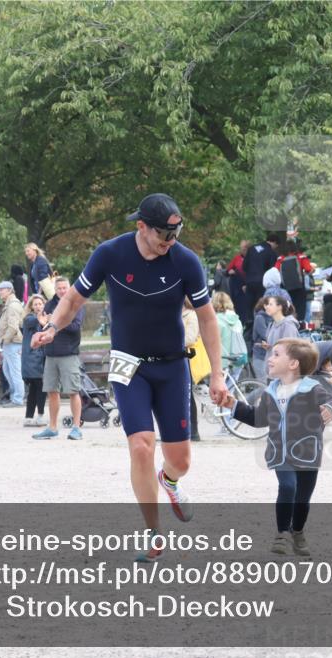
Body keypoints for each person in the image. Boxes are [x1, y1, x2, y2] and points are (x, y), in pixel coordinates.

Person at [30, 193, 228, 563]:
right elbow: (73, 299)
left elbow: (207, 318)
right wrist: (53, 327)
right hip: (127, 364)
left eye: (176, 235)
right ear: (141, 226)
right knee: (140, 444)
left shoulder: (186, 261)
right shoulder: (110, 253)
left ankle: (168, 482)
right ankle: (153, 533)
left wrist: (217, 375)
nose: (171, 243)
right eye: (163, 237)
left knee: (180, 460)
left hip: (171, 366)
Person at [227, 338, 332, 557]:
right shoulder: (271, 391)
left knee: (302, 499)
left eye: (277, 354)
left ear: (293, 364)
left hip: (307, 454)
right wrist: (233, 406)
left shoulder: (312, 388)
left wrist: (330, 409)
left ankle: (297, 531)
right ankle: (282, 534)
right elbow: (258, 418)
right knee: (288, 487)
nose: (270, 358)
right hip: (281, 453)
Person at [32, 277, 85, 440]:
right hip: (51, 354)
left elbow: (75, 327)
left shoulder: (76, 304)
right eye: (59, 288)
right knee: (51, 391)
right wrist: (43, 324)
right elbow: (45, 328)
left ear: (69, 288)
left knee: (73, 392)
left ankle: (76, 428)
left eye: (64, 288)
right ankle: (52, 427)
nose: (62, 290)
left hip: (69, 354)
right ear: (55, 289)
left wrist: (55, 323)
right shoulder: (49, 305)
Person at [0, 280, 25, 408]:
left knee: (14, 371)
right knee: (8, 370)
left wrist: (4, 340)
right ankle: (15, 396)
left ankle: (18, 399)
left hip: (12, 343)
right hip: (11, 343)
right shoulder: (10, 304)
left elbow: (13, 327)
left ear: (9, 290)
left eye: (2, 289)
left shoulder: (12, 305)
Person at [21, 294, 48, 427]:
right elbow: (32, 322)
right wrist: (42, 319)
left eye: (40, 304)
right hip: (33, 360)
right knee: (40, 387)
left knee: (34, 389)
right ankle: (40, 416)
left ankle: (29, 417)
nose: (38, 306)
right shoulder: (29, 319)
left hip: (40, 359)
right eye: (35, 304)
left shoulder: (46, 319)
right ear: (31, 306)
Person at [243, 233, 280, 322]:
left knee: (249, 306)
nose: (275, 248)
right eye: (276, 246)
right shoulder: (271, 252)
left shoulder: (251, 249)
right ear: (274, 242)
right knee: (260, 306)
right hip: (262, 283)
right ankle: (259, 323)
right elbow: (272, 271)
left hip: (250, 282)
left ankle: (249, 326)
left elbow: (244, 266)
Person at [274, 240, 314, 322]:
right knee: (300, 310)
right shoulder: (301, 257)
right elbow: (308, 269)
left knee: (287, 309)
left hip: (285, 289)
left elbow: (275, 272)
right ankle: (300, 326)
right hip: (299, 288)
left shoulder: (280, 259)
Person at [212, 292, 246, 381]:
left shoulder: (216, 320)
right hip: (238, 357)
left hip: (222, 360)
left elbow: (213, 341)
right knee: (231, 387)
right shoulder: (236, 319)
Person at [182, 299, 202, 442]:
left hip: (186, 358)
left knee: (188, 394)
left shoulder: (191, 315)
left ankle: (194, 431)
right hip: (174, 357)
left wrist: (169, 340)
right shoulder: (175, 314)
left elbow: (190, 338)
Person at [226, 240, 249, 321]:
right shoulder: (237, 258)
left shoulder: (252, 258)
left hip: (248, 287)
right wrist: (230, 271)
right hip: (237, 288)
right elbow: (228, 270)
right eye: (241, 248)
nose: (242, 250)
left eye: (244, 248)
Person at [251, 297, 272, 380]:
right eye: (269, 304)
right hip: (260, 355)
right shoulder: (260, 317)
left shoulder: (271, 318)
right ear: (264, 306)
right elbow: (265, 335)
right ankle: (251, 394)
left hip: (268, 355)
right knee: (262, 383)